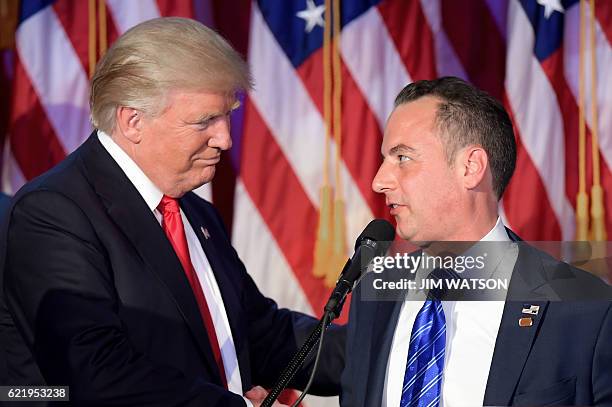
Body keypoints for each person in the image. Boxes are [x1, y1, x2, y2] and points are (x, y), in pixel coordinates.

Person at [1, 17, 344, 406]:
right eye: (205, 121)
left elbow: (259, 334)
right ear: (133, 121)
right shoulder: (55, 213)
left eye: (227, 114)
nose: (226, 138)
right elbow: (95, 373)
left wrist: (381, 349)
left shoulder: (195, 213)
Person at [340, 77, 612, 406]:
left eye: (402, 158)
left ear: (471, 167)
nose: (379, 180)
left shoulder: (588, 311)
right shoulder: (376, 297)